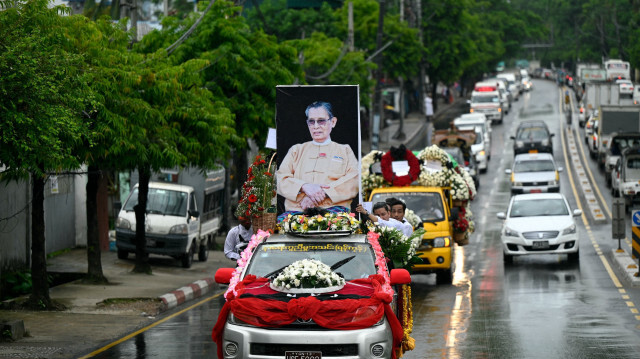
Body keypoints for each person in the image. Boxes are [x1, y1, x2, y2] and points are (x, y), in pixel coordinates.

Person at [276, 101, 359, 215]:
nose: (316, 126)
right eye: (311, 121)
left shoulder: (344, 150)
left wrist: (323, 193)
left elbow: (354, 180)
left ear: (333, 122)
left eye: (321, 121)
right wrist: (304, 187)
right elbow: (280, 179)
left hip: (334, 212)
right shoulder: (296, 150)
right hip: (298, 211)